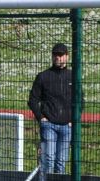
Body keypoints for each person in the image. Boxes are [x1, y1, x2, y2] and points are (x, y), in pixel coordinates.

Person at [28, 43, 83, 174]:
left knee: (61, 162)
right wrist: (41, 117)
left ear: (67, 56)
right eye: (55, 55)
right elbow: (33, 100)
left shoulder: (73, 76)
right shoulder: (43, 76)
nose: (58, 57)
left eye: (61, 55)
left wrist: (73, 120)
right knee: (49, 160)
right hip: (49, 125)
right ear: (52, 57)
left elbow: (80, 100)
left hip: (67, 126)